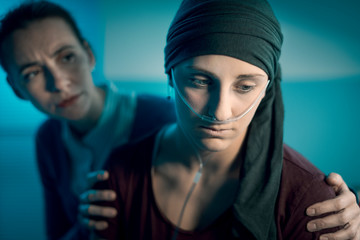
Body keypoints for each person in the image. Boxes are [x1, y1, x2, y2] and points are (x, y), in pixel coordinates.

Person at [0, 1, 358, 240]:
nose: (219, 112)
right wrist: (87, 224)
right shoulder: (62, 145)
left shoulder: (305, 197)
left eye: (245, 85)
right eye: (32, 72)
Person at [0, 1, 176, 239]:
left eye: (67, 57)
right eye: (32, 73)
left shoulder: (164, 118)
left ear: (89, 56)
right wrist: (84, 226)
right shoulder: (48, 138)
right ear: (17, 89)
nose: (59, 83)